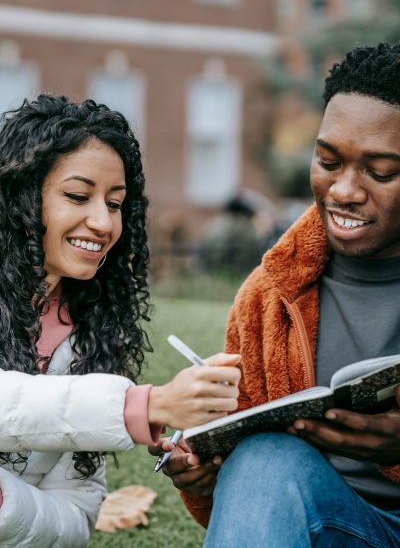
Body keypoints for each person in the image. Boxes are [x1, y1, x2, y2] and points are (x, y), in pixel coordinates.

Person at [152, 42, 400, 547]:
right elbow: (253, 503)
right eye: (328, 160)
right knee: (263, 459)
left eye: (380, 171)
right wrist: (204, 471)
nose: (344, 190)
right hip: (338, 526)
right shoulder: (270, 294)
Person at [0, 94, 241, 547]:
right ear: (20, 197)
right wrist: (144, 406)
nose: (102, 222)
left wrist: (6, 505)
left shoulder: (91, 335)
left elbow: (76, 512)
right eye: (77, 195)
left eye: (114, 204)